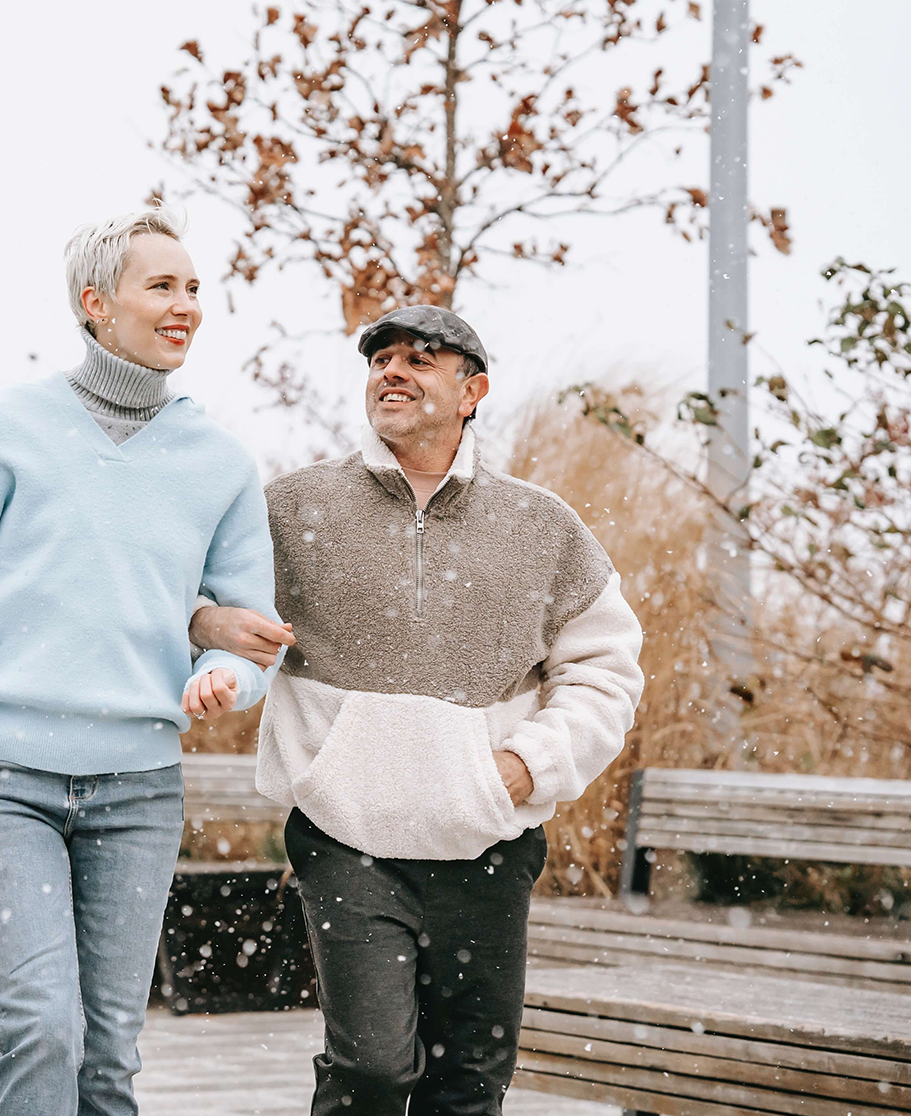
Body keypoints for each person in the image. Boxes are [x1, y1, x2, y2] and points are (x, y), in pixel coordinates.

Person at [192, 305, 645, 1116]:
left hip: (489, 841)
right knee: (370, 1068)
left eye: (420, 359)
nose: (392, 371)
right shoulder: (293, 509)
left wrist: (524, 767)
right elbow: (198, 599)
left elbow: (606, 670)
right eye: (381, 359)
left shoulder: (541, 526)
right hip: (347, 838)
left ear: (472, 392)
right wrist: (206, 625)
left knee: (468, 1084)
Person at [0, 207, 286, 1116]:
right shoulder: (5, 429)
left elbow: (253, 635)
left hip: (138, 789)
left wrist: (224, 678)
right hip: (2, 779)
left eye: (194, 288)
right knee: (42, 1026)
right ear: (96, 302)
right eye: (162, 286)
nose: (186, 305)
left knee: (108, 1052)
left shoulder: (220, 461)